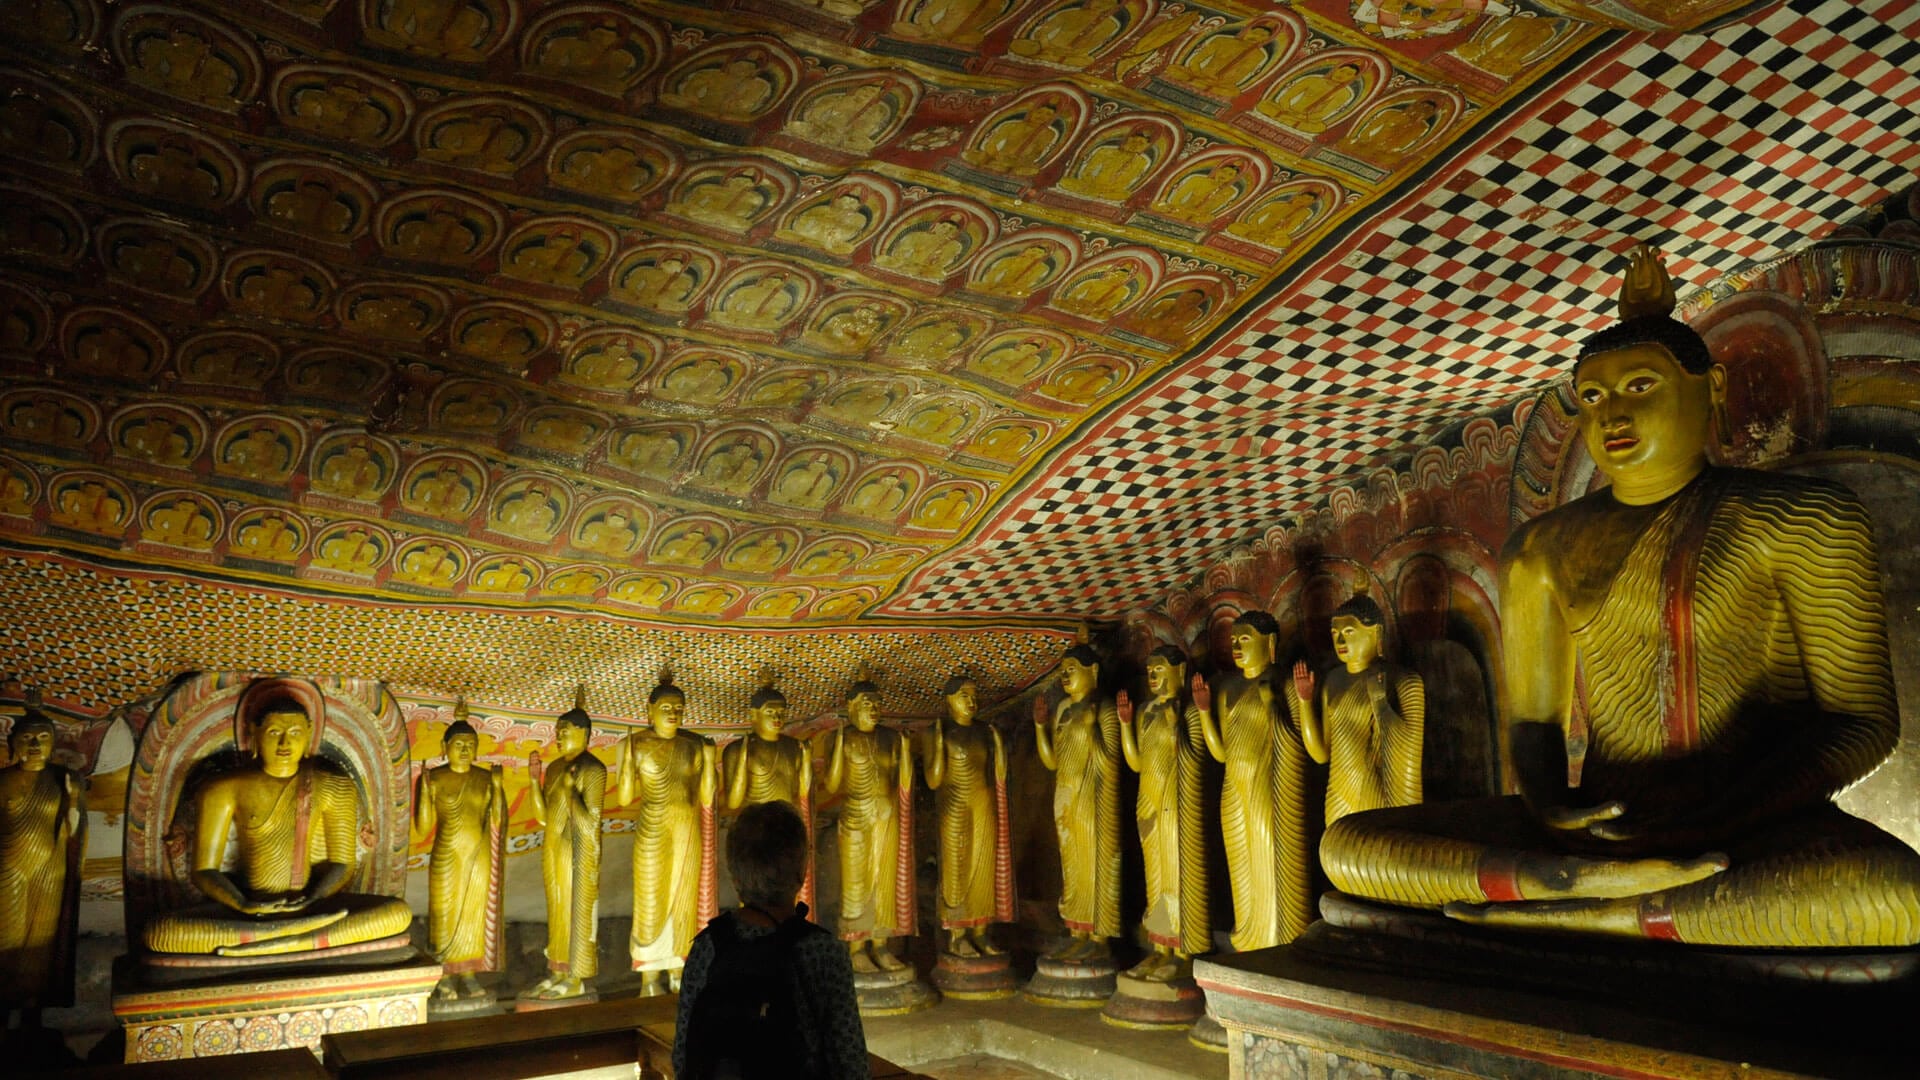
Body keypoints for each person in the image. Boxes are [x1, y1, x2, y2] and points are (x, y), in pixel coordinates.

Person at [1322, 245, 1920, 946]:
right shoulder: (1541, 551)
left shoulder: (1803, 518)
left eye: (1641, 385)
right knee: (1350, 847)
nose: (1612, 414)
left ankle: (1610, 910)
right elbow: (1534, 728)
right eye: (1594, 398)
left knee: (1898, 894)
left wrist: (1722, 817)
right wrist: (1550, 806)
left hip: (1750, 827)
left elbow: (1861, 722)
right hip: (1599, 825)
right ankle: (1579, 888)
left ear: (1713, 389)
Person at [143, 687, 414, 956]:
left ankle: (268, 943)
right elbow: (203, 872)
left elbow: (342, 864)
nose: (285, 743)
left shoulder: (334, 785)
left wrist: (315, 897)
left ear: (309, 733)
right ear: (254, 732)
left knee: (397, 913)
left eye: (295, 733)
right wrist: (243, 904)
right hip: (247, 911)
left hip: (312, 907)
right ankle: (300, 941)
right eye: (274, 732)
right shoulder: (222, 789)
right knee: (161, 933)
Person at [673, 800, 867, 1080]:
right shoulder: (823, 951)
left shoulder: (708, 947)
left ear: (734, 873)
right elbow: (850, 1061)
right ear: (801, 872)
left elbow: (684, 1057)